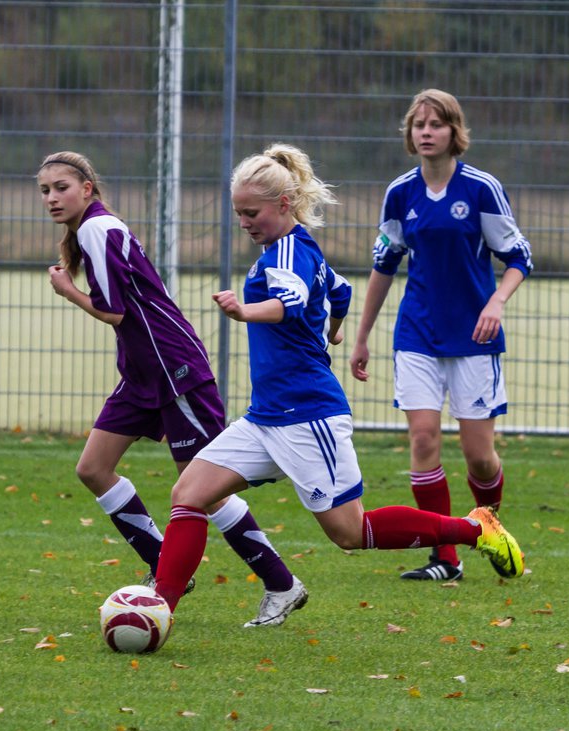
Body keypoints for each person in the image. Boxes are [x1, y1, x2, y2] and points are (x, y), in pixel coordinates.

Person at [150, 143, 524, 633]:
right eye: (238, 212)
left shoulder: (287, 253)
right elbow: (340, 290)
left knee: (352, 532)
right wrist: (334, 327)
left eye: (251, 212)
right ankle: (160, 608)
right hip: (267, 416)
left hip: (308, 417)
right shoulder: (296, 245)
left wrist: (246, 310)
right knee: (189, 493)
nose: (243, 221)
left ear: (283, 205)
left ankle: (475, 530)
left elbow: (290, 301)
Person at [37, 151, 294, 613]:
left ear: (87, 190)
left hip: (174, 370)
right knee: (93, 468)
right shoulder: (90, 231)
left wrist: (68, 291)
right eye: (45, 190)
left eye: (61, 187)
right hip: (140, 374)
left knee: (204, 488)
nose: (52, 198)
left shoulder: (99, 228)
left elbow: (114, 310)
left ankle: (281, 582)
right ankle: (162, 563)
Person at [349, 89, 533, 582]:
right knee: (424, 439)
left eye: (436, 124)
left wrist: (496, 302)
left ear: (455, 132)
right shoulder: (400, 194)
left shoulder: (481, 189)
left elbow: (520, 258)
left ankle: (490, 526)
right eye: (418, 125)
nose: (426, 132)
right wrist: (362, 336)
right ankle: (445, 558)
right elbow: (384, 265)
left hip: (473, 337)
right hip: (417, 336)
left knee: (480, 457)